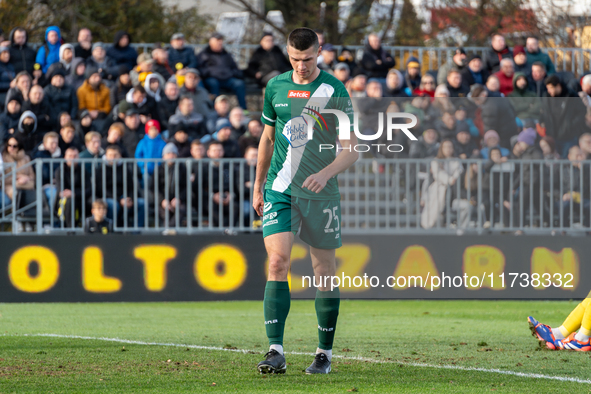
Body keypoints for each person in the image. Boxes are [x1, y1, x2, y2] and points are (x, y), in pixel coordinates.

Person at [254, 27, 358, 375]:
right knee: (277, 262)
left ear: (320, 52)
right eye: (295, 59)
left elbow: (351, 150)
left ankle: (323, 353)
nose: (301, 65)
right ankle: (275, 350)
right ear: (287, 53)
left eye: (308, 58)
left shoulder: (334, 91)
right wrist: (257, 186)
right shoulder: (276, 87)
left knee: (323, 272)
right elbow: (267, 139)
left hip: (320, 194)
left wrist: (326, 173)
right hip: (280, 189)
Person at [197, 33, 247, 109]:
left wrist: (232, 73)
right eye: (217, 41)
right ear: (211, 42)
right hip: (212, 79)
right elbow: (199, 69)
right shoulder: (204, 54)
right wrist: (209, 73)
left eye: (221, 41)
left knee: (239, 84)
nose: (219, 43)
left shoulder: (226, 55)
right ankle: (214, 110)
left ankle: (243, 110)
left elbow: (235, 68)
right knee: (213, 83)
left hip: (227, 79)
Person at [99, 144, 145, 228]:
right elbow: (101, 189)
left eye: (115, 155)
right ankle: (113, 230)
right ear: (106, 156)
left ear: (120, 155)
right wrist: (119, 200)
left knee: (142, 203)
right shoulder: (100, 169)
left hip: (124, 197)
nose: (113, 157)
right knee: (113, 205)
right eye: (110, 155)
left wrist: (130, 199)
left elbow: (131, 186)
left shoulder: (125, 168)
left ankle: (136, 231)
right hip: (109, 197)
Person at [541, 75, 586, 157]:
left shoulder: (571, 95)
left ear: (558, 86)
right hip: (552, 136)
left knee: (566, 162)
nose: (549, 91)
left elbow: (582, 111)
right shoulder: (546, 97)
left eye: (550, 88)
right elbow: (543, 112)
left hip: (569, 137)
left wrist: (571, 125)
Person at [421, 139, 462, 229]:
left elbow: (459, 171)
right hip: (438, 189)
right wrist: (450, 179)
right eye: (445, 147)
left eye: (450, 147)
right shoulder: (436, 160)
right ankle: (429, 227)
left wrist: (454, 178)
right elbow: (438, 174)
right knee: (434, 211)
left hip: (454, 189)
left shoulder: (456, 160)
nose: (448, 149)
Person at [470, 84, 518, 149]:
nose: (477, 103)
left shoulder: (488, 107)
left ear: (483, 95)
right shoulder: (501, 98)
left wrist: (486, 140)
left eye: (477, 100)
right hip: (512, 131)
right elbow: (514, 111)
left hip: (502, 136)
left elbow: (489, 128)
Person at [153, 142, 188, 225]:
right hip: (162, 200)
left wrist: (178, 198)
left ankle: (168, 232)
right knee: (165, 213)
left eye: (173, 153)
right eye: (168, 153)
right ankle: (170, 232)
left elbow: (186, 186)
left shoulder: (182, 168)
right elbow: (154, 188)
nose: (171, 156)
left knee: (181, 210)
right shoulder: (158, 169)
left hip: (178, 200)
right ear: (163, 156)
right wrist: (162, 200)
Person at [54, 146, 90, 227]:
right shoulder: (59, 171)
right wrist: (71, 194)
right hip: (65, 200)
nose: (73, 158)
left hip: (80, 198)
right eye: (70, 156)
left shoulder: (83, 170)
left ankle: (91, 228)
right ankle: (71, 229)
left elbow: (88, 189)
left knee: (94, 202)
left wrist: (74, 193)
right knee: (70, 201)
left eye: (75, 156)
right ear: (65, 157)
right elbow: (61, 191)